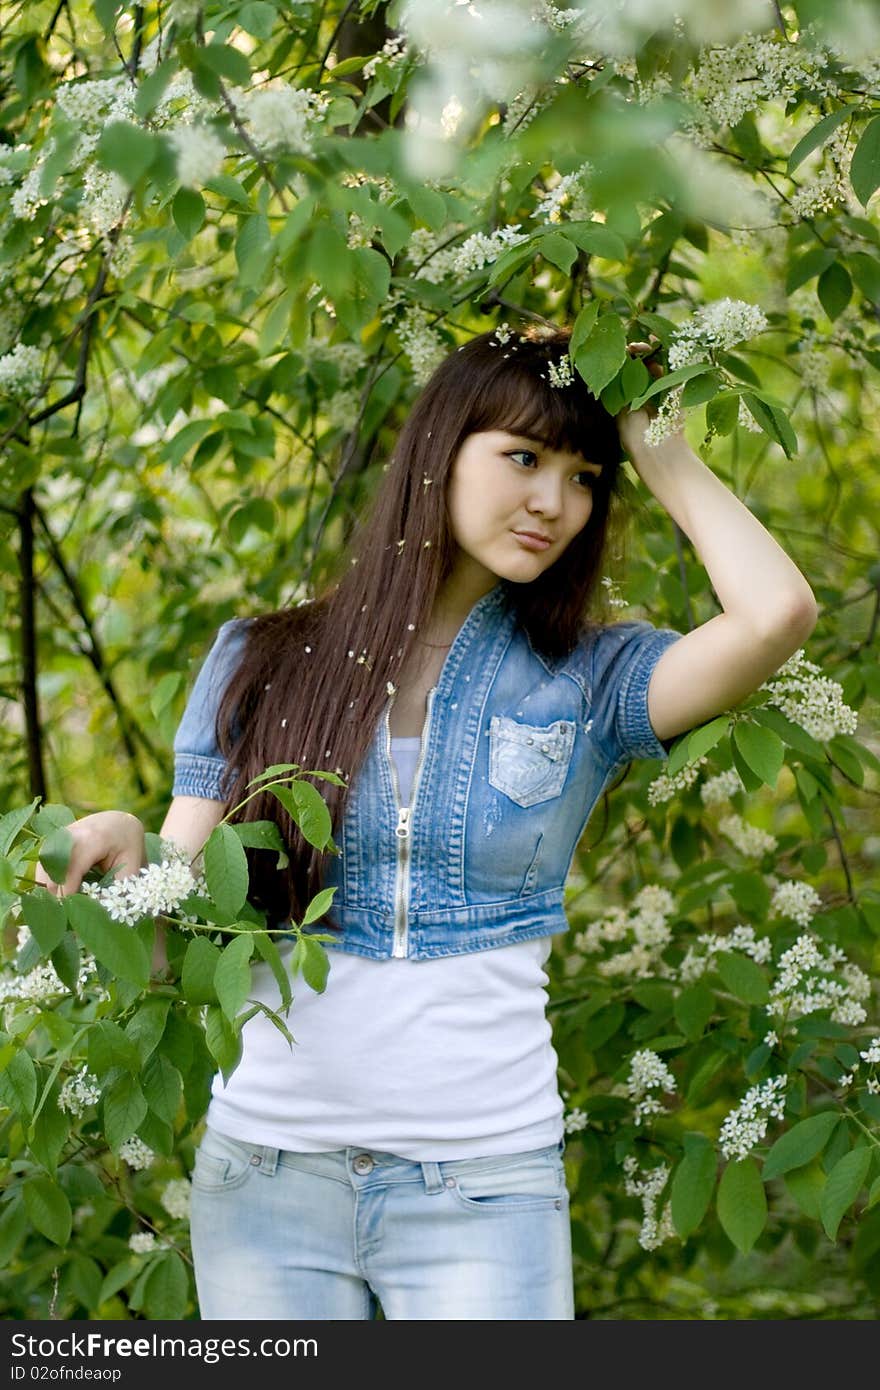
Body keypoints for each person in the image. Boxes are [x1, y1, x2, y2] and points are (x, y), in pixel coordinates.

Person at [36, 324, 817, 1320]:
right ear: (438, 449)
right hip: (268, 1175)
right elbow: (184, 919)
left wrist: (652, 432)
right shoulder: (258, 658)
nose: (553, 502)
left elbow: (774, 615)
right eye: (523, 457)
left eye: (585, 476)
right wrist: (124, 843)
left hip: (482, 1185)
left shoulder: (591, 677)